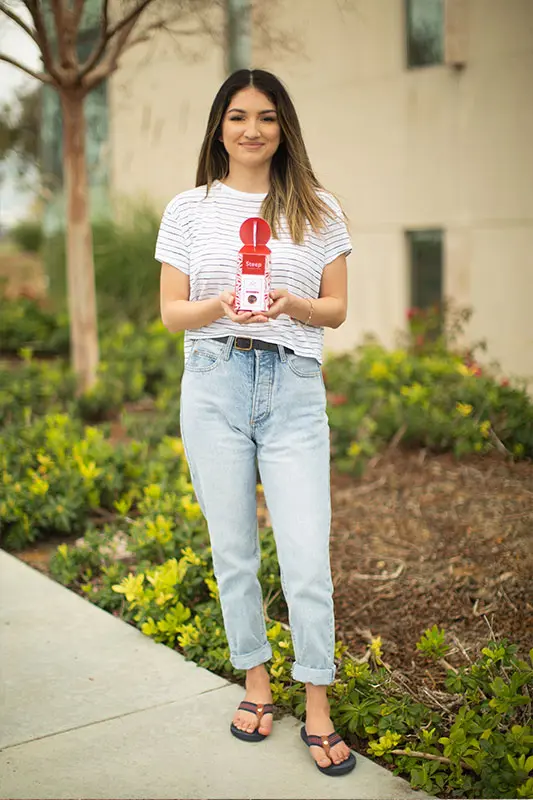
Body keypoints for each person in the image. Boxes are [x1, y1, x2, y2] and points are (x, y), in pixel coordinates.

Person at [155, 69, 355, 777]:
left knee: (305, 557)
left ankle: (318, 702)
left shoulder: (317, 207)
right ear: (218, 127)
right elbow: (173, 312)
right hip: (213, 380)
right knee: (233, 549)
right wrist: (222, 307)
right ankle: (256, 683)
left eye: (266, 117)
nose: (251, 129)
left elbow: (334, 308)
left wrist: (285, 303)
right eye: (237, 116)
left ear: (282, 127)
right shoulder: (187, 208)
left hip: (293, 386)